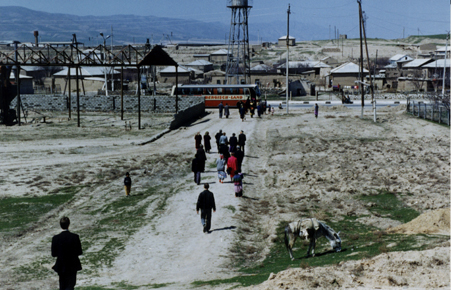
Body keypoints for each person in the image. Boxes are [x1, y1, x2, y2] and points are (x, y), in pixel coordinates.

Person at [51, 216, 83, 290]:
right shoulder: (75, 237)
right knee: (71, 285)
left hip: (61, 265)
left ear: (60, 225)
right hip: (72, 265)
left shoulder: (56, 238)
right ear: (69, 224)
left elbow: (54, 254)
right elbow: (79, 252)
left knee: (62, 285)